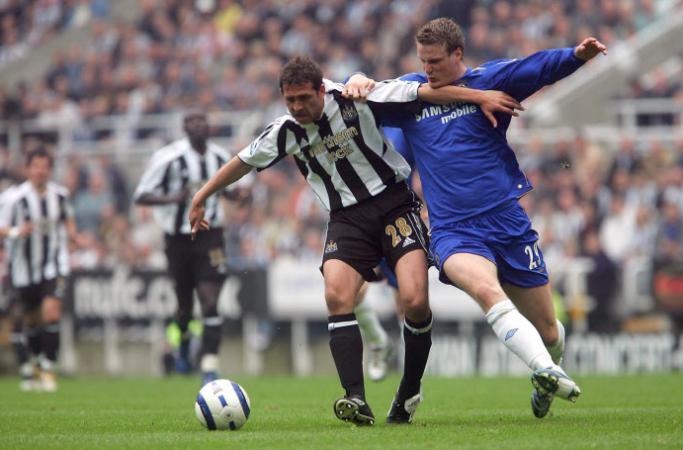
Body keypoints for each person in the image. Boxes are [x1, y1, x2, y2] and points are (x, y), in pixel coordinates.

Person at [189, 56, 521, 425]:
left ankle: (410, 389)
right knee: (336, 295)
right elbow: (243, 161)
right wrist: (202, 195)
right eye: (290, 100)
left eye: (304, 98)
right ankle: (355, 397)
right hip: (347, 219)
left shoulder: (356, 96)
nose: (297, 107)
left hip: (394, 206)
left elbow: (421, 92)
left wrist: (479, 97)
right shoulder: (285, 131)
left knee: (414, 300)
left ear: (321, 90)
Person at [345, 18, 608, 418]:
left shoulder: (492, 79)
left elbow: (538, 67)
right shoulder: (411, 93)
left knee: (549, 330)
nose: (427, 69)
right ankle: (544, 369)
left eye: (435, 61)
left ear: (458, 54)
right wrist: (357, 78)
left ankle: (547, 368)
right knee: (487, 291)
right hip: (453, 231)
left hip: (507, 223)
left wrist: (576, 56)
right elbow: (364, 94)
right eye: (423, 61)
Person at [133, 111, 246, 386]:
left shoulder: (220, 156)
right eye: (192, 122)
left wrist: (240, 195)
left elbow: (230, 190)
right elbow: (141, 195)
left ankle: (209, 365)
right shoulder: (168, 157)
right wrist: (174, 198)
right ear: (184, 128)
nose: (198, 126)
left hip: (212, 236)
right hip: (178, 238)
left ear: (209, 127)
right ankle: (183, 346)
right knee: (184, 306)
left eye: (202, 122)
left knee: (210, 301)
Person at [0, 148, 78, 391]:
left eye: (45, 166)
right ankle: (32, 364)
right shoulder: (13, 198)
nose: (40, 171)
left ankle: (47, 366)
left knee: (51, 311)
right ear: (27, 169)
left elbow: (68, 219)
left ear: (50, 170)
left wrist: (74, 236)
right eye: (36, 166)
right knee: (30, 320)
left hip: (54, 264)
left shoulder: (60, 196)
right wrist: (16, 232)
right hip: (22, 268)